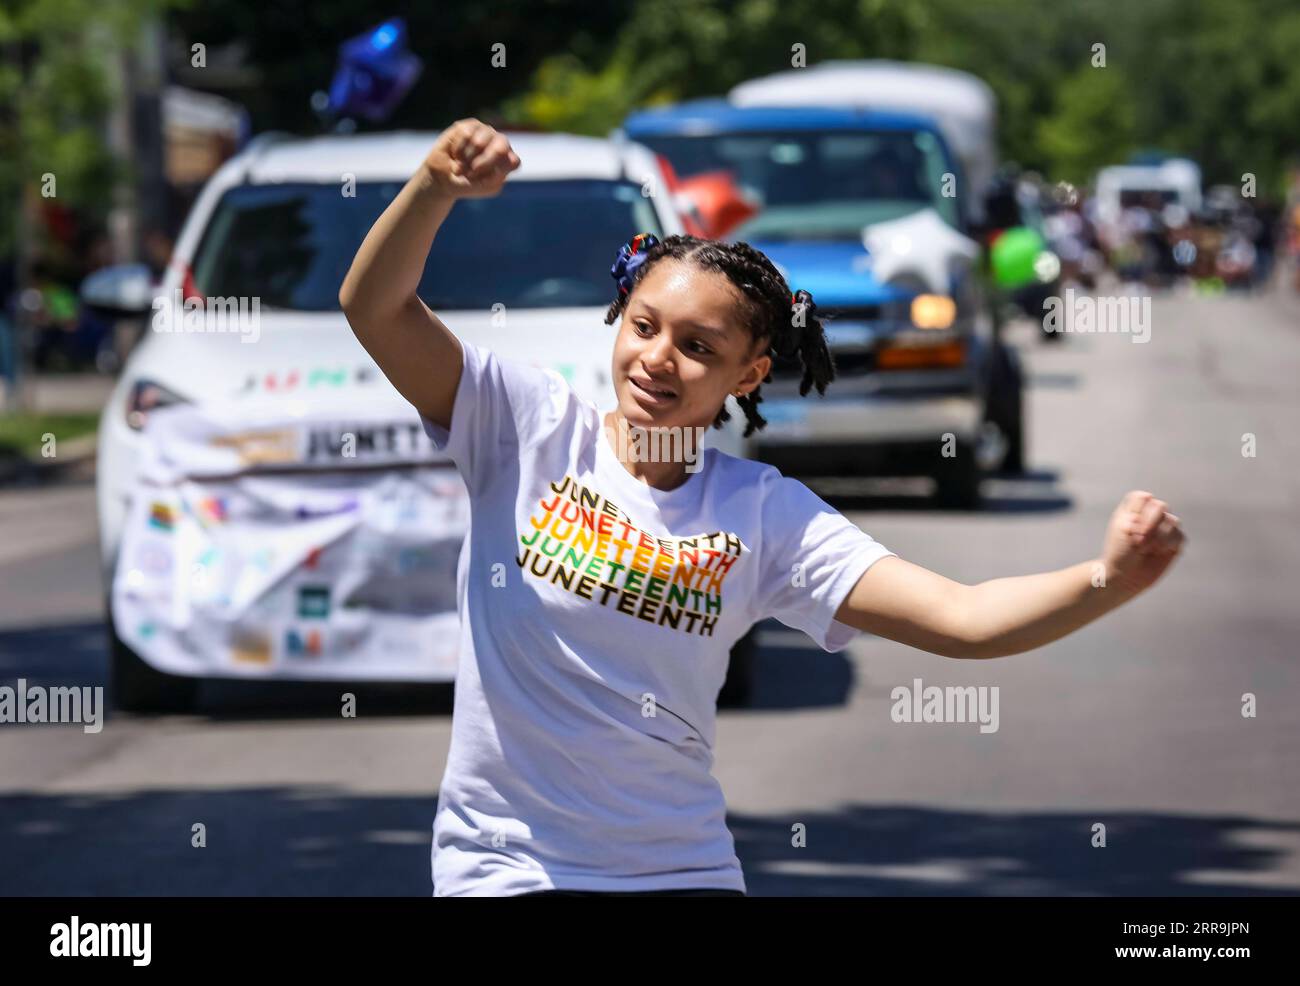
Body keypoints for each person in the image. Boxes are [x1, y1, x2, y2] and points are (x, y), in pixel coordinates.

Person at [339, 120, 1187, 898]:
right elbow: (373, 307)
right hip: (505, 870)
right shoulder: (521, 427)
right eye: (644, 326)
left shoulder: (762, 515)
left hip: (680, 870)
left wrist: (1106, 578)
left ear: (747, 376)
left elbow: (963, 619)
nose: (656, 359)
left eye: (698, 347)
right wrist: (433, 187)